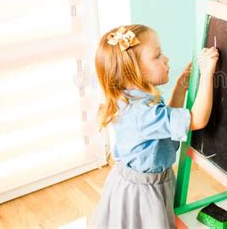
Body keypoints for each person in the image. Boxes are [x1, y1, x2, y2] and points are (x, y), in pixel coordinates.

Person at [89, 24, 219, 228]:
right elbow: (198, 119)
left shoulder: (133, 99)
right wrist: (207, 73)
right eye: (157, 55)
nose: (166, 58)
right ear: (133, 71)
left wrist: (180, 88)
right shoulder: (143, 113)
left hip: (134, 183)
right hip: (142, 193)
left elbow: (165, 127)